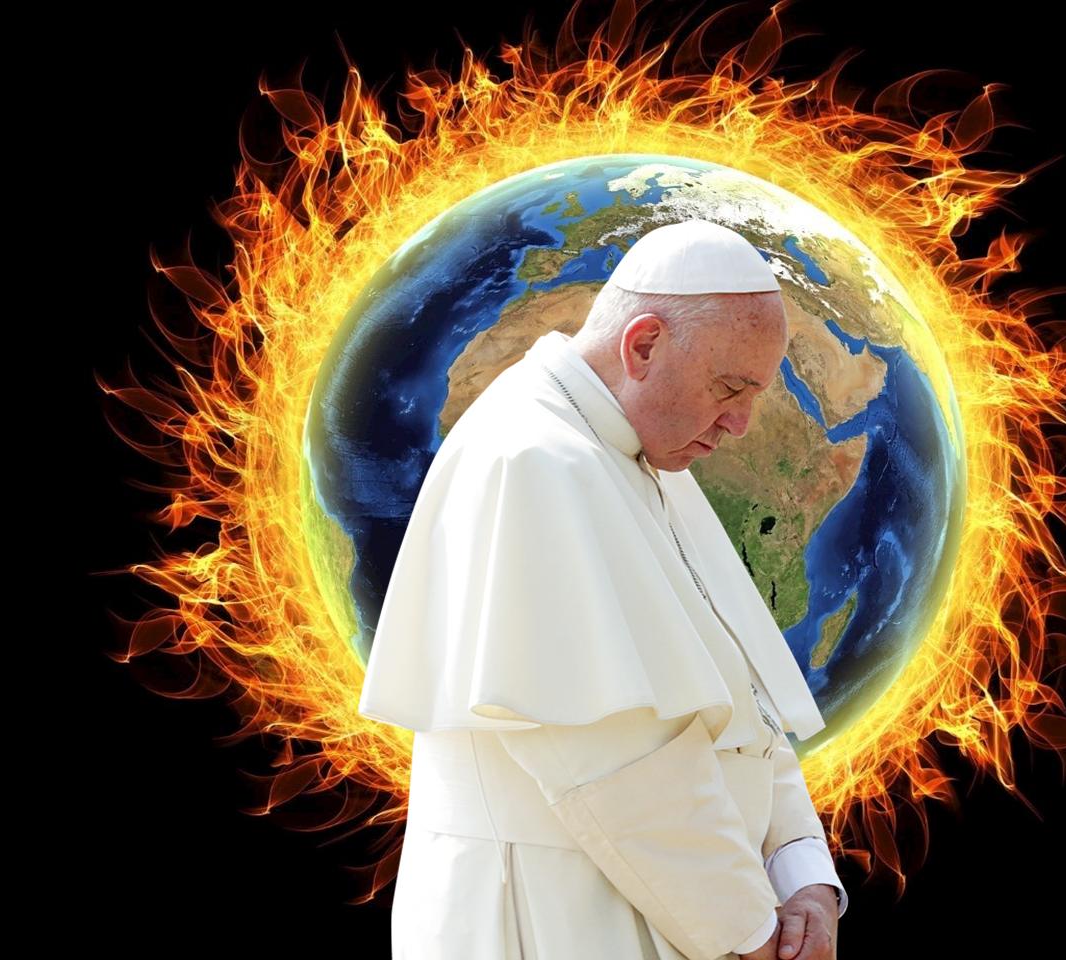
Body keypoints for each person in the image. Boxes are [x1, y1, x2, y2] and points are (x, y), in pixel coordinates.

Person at [358, 219, 849, 959]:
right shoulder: (533, 460)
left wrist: (802, 873)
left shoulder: (645, 451)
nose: (742, 424)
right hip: (552, 920)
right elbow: (613, 764)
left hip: (670, 910)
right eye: (729, 388)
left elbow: (744, 699)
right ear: (643, 345)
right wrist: (751, 933)